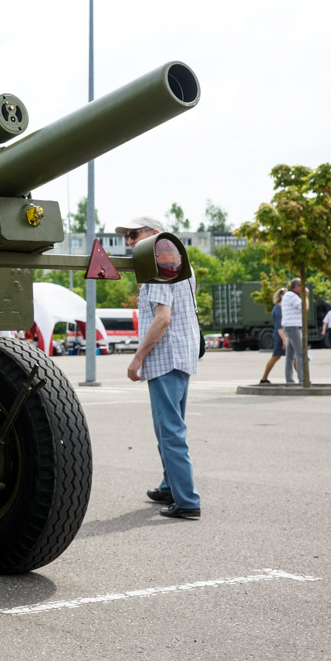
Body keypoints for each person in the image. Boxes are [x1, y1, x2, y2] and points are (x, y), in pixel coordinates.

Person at [117, 216, 201, 520]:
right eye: (126, 236)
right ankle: (170, 486)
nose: (128, 240)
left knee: (170, 431)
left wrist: (136, 358)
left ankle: (188, 500)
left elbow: (163, 318)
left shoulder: (158, 267)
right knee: (168, 426)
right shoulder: (179, 263)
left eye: (133, 233)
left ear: (155, 234)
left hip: (166, 358)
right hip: (183, 354)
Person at [280, 278, 308, 384]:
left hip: (289, 326)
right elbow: (305, 308)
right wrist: (306, 296)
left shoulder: (288, 295)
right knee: (300, 354)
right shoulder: (292, 296)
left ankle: (289, 380)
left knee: (290, 356)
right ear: (297, 286)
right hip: (293, 326)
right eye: (302, 286)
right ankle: (302, 379)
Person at [259, 289, 287, 384]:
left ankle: (264, 379)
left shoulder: (282, 308)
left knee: (279, 357)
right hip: (281, 336)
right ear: (282, 296)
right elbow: (279, 327)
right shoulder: (278, 309)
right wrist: (284, 340)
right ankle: (263, 379)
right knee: (276, 356)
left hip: (283, 335)